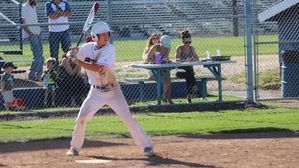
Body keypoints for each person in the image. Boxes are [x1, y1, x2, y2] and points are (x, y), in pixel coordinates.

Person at [65, 21, 153, 157]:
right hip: (95, 92)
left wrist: (76, 61)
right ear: (95, 37)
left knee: (127, 116)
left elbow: (97, 67)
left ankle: (147, 145)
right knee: (81, 117)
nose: (107, 36)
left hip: (113, 91)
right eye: (103, 34)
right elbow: (69, 55)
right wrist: (70, 53)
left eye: (107, 33)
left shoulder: (109, 49)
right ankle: (75, 147)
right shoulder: (86, 48)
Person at [145, 35, 174, 104]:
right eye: (164, 45)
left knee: (167, 76)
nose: (165, 47)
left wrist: (167, 61)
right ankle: (166, 97)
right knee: (166, 78)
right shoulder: (155, 47)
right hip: (153, 69)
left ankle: (167, 98)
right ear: (160, 42)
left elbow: (166, 58)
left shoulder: (168, 49)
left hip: (162, 68)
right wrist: (156, 61)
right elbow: (147, 59)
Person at [175, 29, 201, 104]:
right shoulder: (179, 48)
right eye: (186, 42)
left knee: (189, 75)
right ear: (182, 41)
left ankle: (189, 97)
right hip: (180, 69)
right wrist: (185, 60)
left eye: (190, 42)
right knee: (190, 74)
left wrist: (192, 59)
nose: (188, 44)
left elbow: (197, 58)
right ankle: (196, 89)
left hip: (189, 70)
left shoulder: (191, 48)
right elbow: (177, 59)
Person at [45, 0, 72, 69]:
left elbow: (69, 14)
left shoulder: (64, 3)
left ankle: (68, 68)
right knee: (54, 52)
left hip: (65, 30)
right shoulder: (48, 4)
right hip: (53, 31)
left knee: (68, 51)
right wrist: (63, 13)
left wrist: (58, 12)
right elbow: (52, 16)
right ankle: (55, 70)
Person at [21, 0, 44, 81]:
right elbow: (22, 22)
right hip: (32, 34)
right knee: (37, 54)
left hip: (37, 32)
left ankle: (40, 74)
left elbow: (34, 20)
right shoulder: (24, 7)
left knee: (41, 54)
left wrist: (39, 29)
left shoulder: (33, 7)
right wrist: (30, 33)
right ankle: (32, 73)